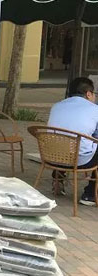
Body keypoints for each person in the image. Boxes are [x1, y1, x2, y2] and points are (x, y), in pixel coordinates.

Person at [48, 77, 98, 205]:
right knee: (81, 146)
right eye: (94, 94)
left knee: (64, 141)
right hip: (79, 160)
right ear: (88, 94)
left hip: (52, 157)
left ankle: (58, 180)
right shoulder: (95, 109)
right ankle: (90, 195)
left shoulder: (56, 106)